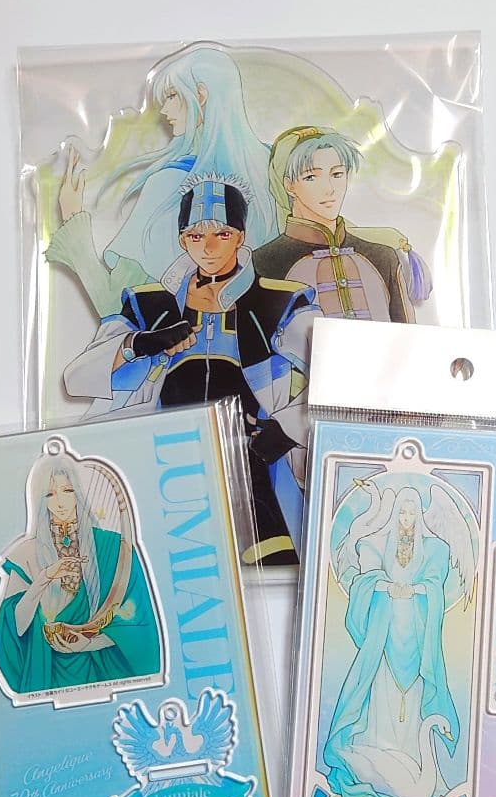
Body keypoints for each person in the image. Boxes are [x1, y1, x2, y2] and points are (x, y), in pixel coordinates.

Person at [63, 173, 321, 565]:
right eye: (196, 236)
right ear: (183, 240)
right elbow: (77, 377)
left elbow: (337, 378)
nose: (209, 247)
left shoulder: (279, 302)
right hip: (168, 464)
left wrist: (286, 429)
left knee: (272, 562)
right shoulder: (149, 305)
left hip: (252, 465)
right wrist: (139, 343)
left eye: (222, 234)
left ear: (240, 236)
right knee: (165, 564)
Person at [45, 44, 277, 320]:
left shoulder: (167, 184)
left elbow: (114, 305)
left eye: (172, 95)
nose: (165, 110)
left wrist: (72, 219)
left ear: (201, 95)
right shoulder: (274, 170)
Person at [323, 484, 465, 797]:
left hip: (416, 639)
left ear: (419, 515)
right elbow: (365, 579)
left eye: (412, 511)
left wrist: (415, 589)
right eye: (402, 511)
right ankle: (378, 762)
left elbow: (435, 585)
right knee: (379, 697)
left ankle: (412, 764)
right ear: (395, 512)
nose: (406, 517)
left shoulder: (435, 549)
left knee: (412, 703)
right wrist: (385, 585)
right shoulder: (377, 543)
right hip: (384, 637)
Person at [0, 449, 163, 694]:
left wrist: (90, 643)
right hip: (48, 673)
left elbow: (138, 621)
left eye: (67, 490)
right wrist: (44, 578)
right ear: (40, 501)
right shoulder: (25, 553)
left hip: (102, 669)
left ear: (78, 493)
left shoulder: (113, 547)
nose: (60, 502)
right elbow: (14, 627)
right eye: (50, 494)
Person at [253, 126, 432, 322]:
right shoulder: (262, 264)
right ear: (289, 185)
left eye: (337, 174)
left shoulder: (384, 258)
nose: (329, 188)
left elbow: (406, 333)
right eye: (311, 177)